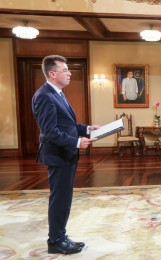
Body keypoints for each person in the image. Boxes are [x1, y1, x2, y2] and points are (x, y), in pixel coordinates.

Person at [32, 55, 99, 254]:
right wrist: (77, 142)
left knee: (64, 197)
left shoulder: (57, 93)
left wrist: (87, 128)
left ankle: (60, 235)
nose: (70, 73)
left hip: (65, 154)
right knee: (60, 198)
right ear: (53, 74)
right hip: (58, 155)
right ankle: (55, 241)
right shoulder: (44, 95)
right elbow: (50, 131)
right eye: (65, 70)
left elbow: (67, 125)